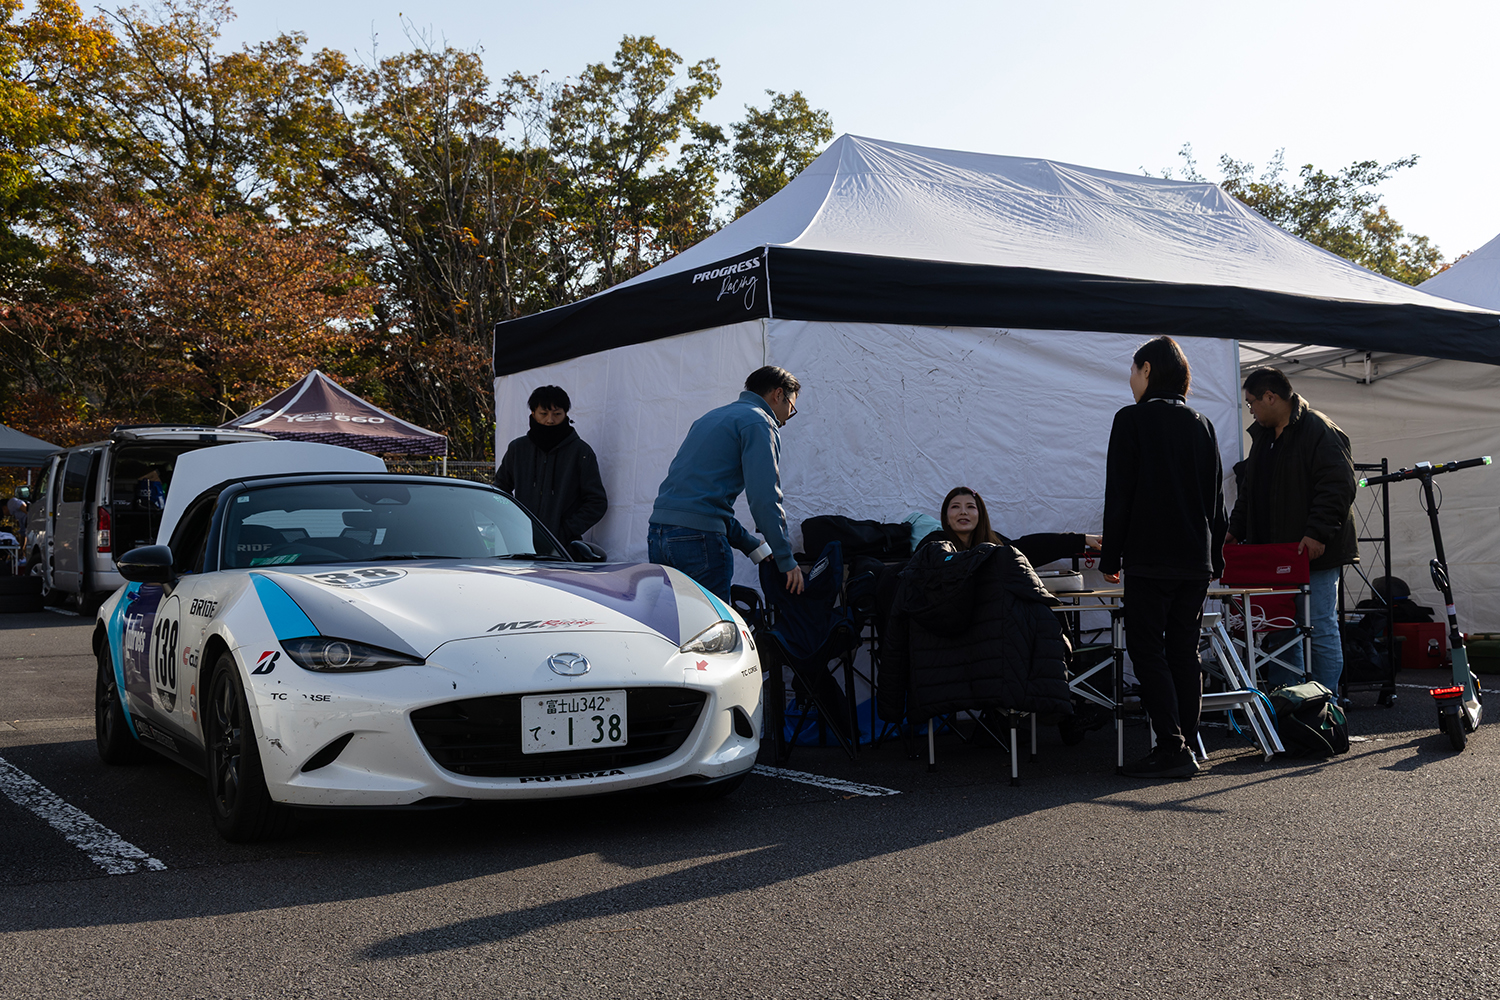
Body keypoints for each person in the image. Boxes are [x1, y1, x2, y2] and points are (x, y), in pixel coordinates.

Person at [1100, 336, 1227, 780]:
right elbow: (1217, 502)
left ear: (1147, 370)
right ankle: (1186, 745)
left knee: (1148, 649)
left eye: (1133, 372)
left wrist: (1110, 555)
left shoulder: (1131, 420)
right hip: (1195, 558)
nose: (1131, 382)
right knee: (1183, 652)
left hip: (1149, 556)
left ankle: (1171, 747)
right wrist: (1218, 559)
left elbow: (1120, 494)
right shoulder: (1203, 423)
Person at [1227, 366, 1357, 692]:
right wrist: (1234, 529)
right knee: (1282, 627)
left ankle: (1326, 706)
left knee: (1320, 626)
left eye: (1252, 402)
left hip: (1315, 553)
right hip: (1276, 555)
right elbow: (1250, 491)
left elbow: (1338, 486)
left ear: (1271, 397)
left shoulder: (1319, 429)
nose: (1251, 409)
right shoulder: (1263, 437)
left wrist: (1316, 533)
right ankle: (1287, 704)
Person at [649, 366, 804, 603]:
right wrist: (786, 559)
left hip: (659, 534)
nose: (785, 420)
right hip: (699, 541)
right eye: (791, 409)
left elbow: (698, 501)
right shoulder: (760, 422)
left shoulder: (709, 418)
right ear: (778, 394)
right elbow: (764, 499)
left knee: (676, 628)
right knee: (712, 632)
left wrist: (752, 545)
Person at [494, 385, 607, 545]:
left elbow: (597, 501)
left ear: (565, 414)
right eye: (544, 414)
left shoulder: (581, 452)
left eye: (557, 414)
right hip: (519, 542)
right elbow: (500, 489)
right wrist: (512, 522)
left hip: (562, 546)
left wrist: (567, 529)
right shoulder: (518, 448)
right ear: (533, 413)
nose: (550, 420)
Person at [917, 486, 1101, 567]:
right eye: (955, 507)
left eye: (970, 507)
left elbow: (1028, 548)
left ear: (980, 516)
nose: (963, 512)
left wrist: (1082, 539)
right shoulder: (933, 544)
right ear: (946, 518)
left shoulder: (992, 542)